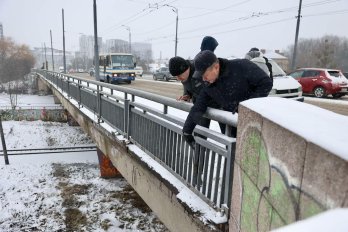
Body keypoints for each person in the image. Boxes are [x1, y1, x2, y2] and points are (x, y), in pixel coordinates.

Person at [182, 50, 273, 147]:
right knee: (231, 155)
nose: (203, 79)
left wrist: (245, 107)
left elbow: (266, 83)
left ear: (216, 67)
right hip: (230, 127)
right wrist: (187, 131)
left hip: (251, 124)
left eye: (205, 75)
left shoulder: (241, 66)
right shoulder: (209, 85)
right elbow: (198, 107)